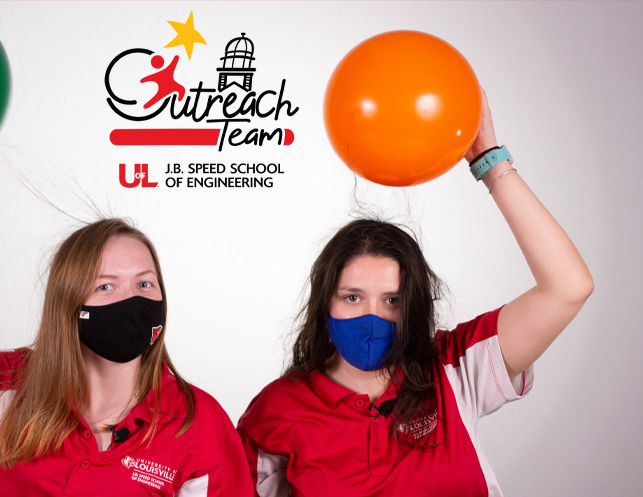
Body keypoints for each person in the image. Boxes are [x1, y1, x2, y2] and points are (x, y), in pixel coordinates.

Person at [0, 104, 252, 497]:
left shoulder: (197, 424)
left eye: (145, 285)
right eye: (106, 286)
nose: (132, 301)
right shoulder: (0, 386)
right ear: (69, 304)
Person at [237, 90, 594, 497]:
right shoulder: (278, 410)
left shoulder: (453, 368)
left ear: (414, 305)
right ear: (325, 303)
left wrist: (489, 161)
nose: (373, 317)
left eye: (392, 300)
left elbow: (568, 287)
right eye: (353, 297)